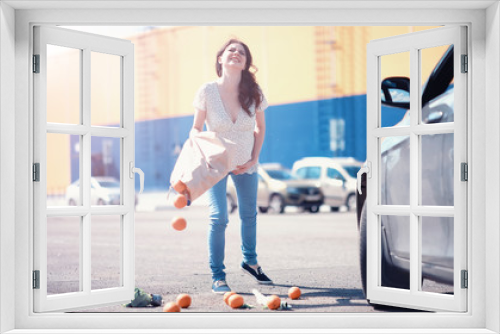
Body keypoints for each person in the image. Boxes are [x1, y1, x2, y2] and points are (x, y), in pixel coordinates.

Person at [190, 39, 273, 294]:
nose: (236, 53)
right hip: (216, 164)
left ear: (246, 63)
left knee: (249, 215)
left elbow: (260, 128)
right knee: (219, 217)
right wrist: (196, 141)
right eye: (231, 51)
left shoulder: (254, 92)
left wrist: (254, 158)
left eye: (242, 52)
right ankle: (218, 275)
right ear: (220, 59)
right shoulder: (207, 90)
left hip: (247, 163)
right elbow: (195, 127)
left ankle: (250, 261)